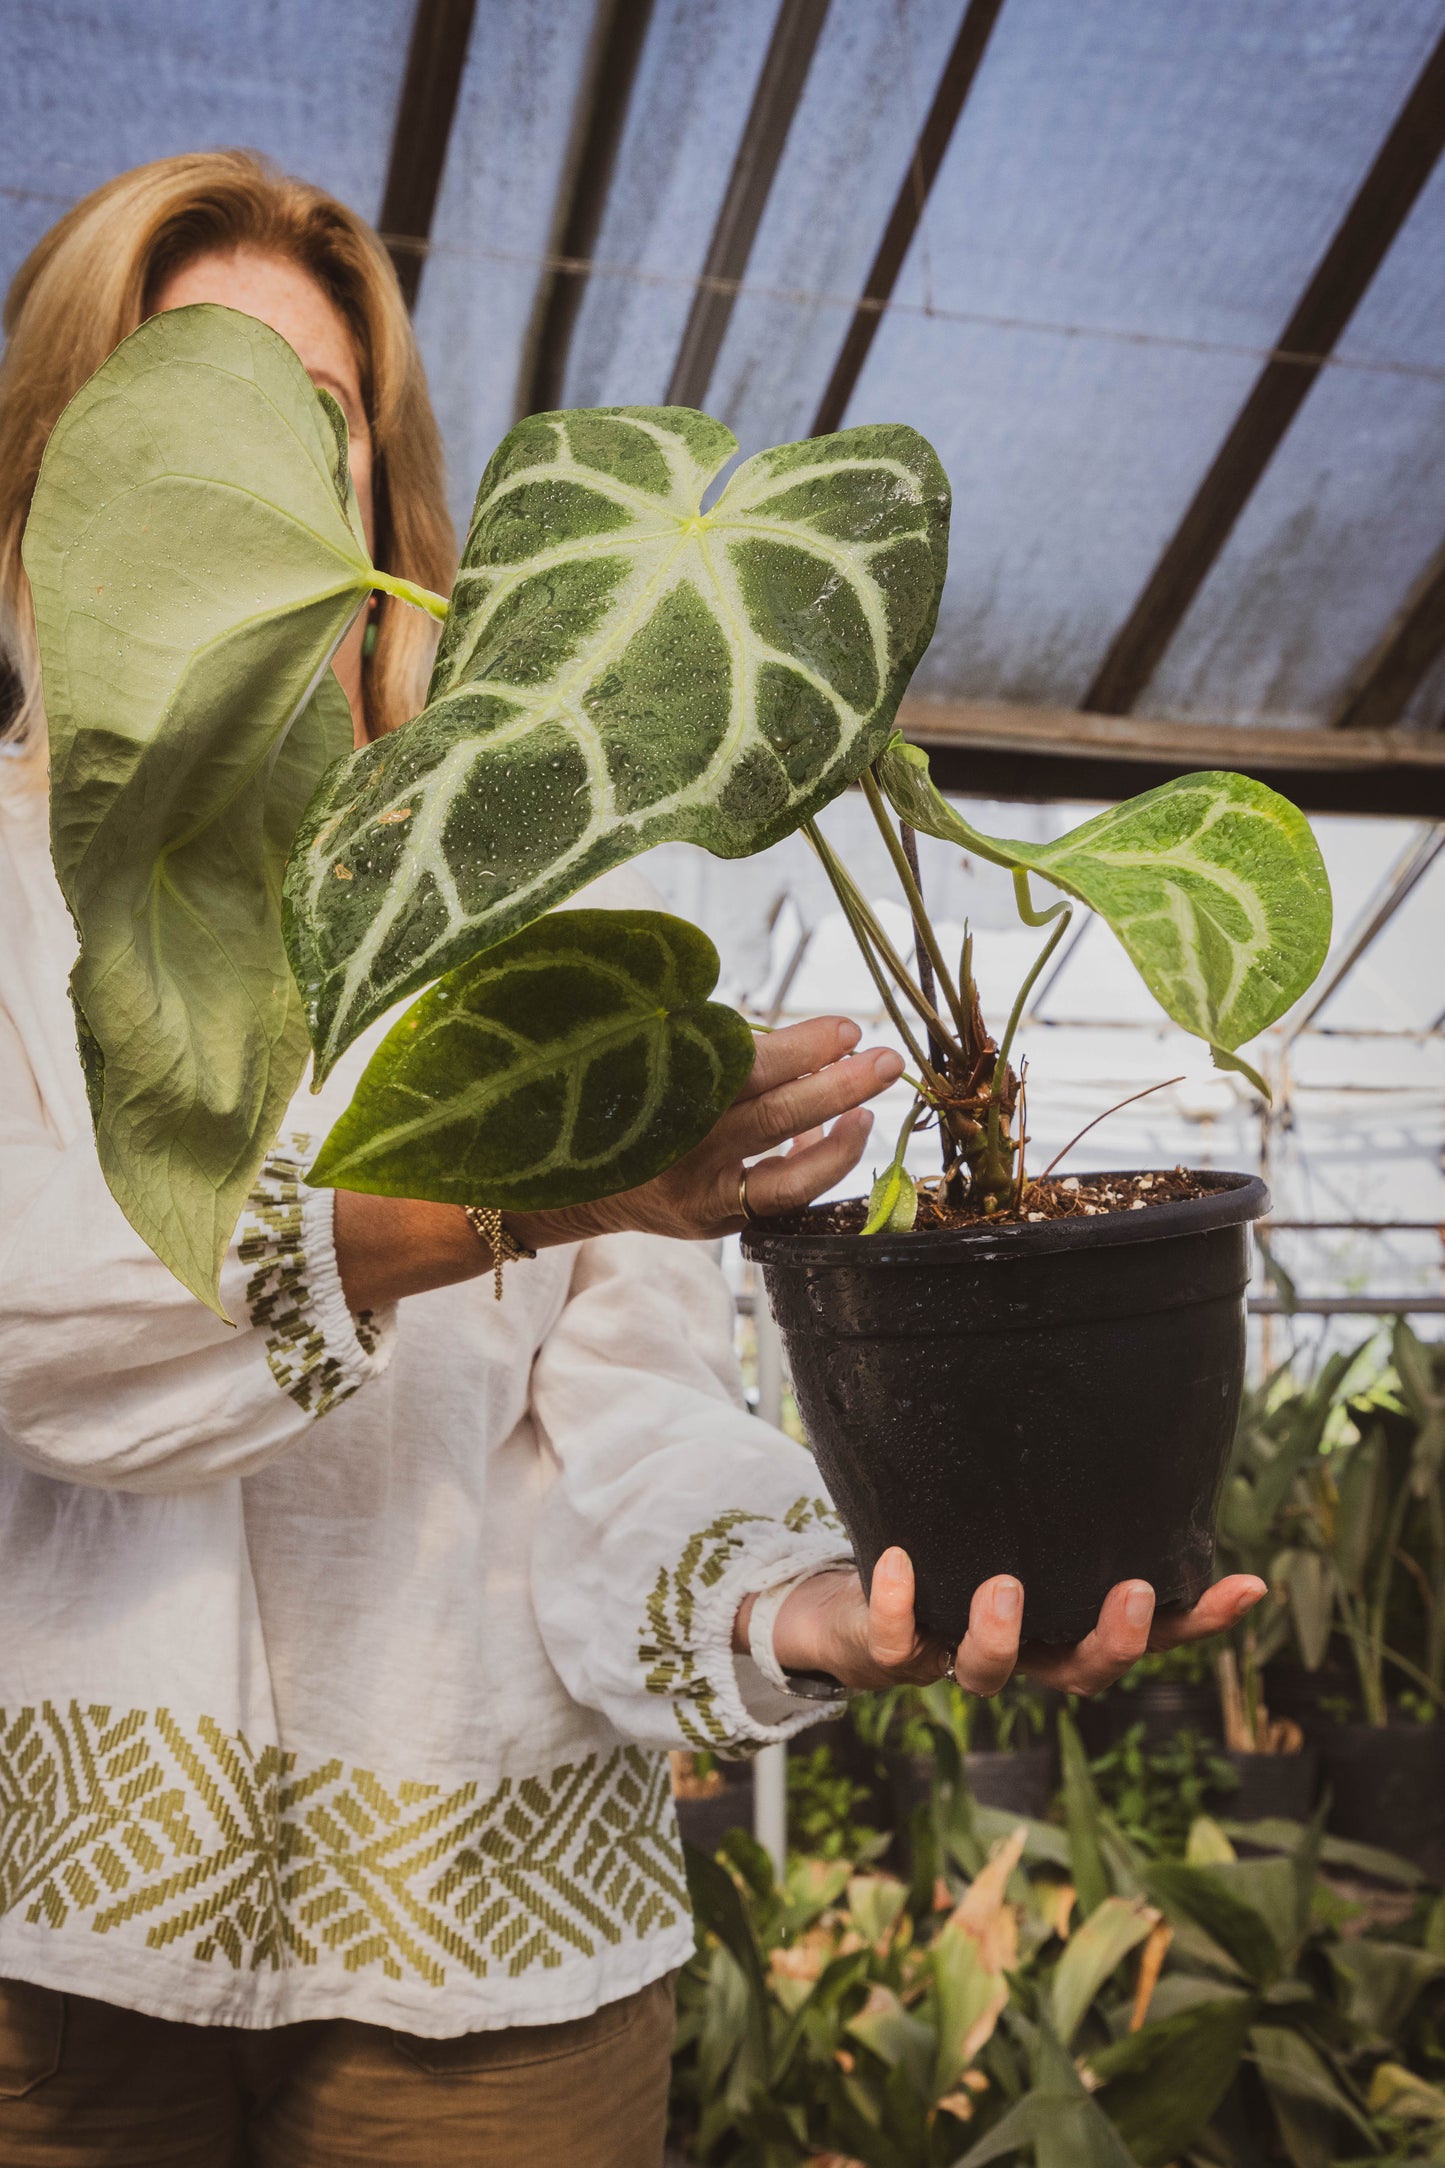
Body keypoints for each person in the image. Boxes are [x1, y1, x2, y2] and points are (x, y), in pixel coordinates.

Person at [0, 151, 1264, 2166]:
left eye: (317, 422)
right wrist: (523, 1190)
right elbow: (34, 1326)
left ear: (382, 488)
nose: (257, 468)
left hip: (490, 1962)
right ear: (63, 474)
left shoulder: (547, 852)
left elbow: (626, 1413)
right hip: (52, 1962)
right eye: (181, 406)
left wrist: (806, 1603)